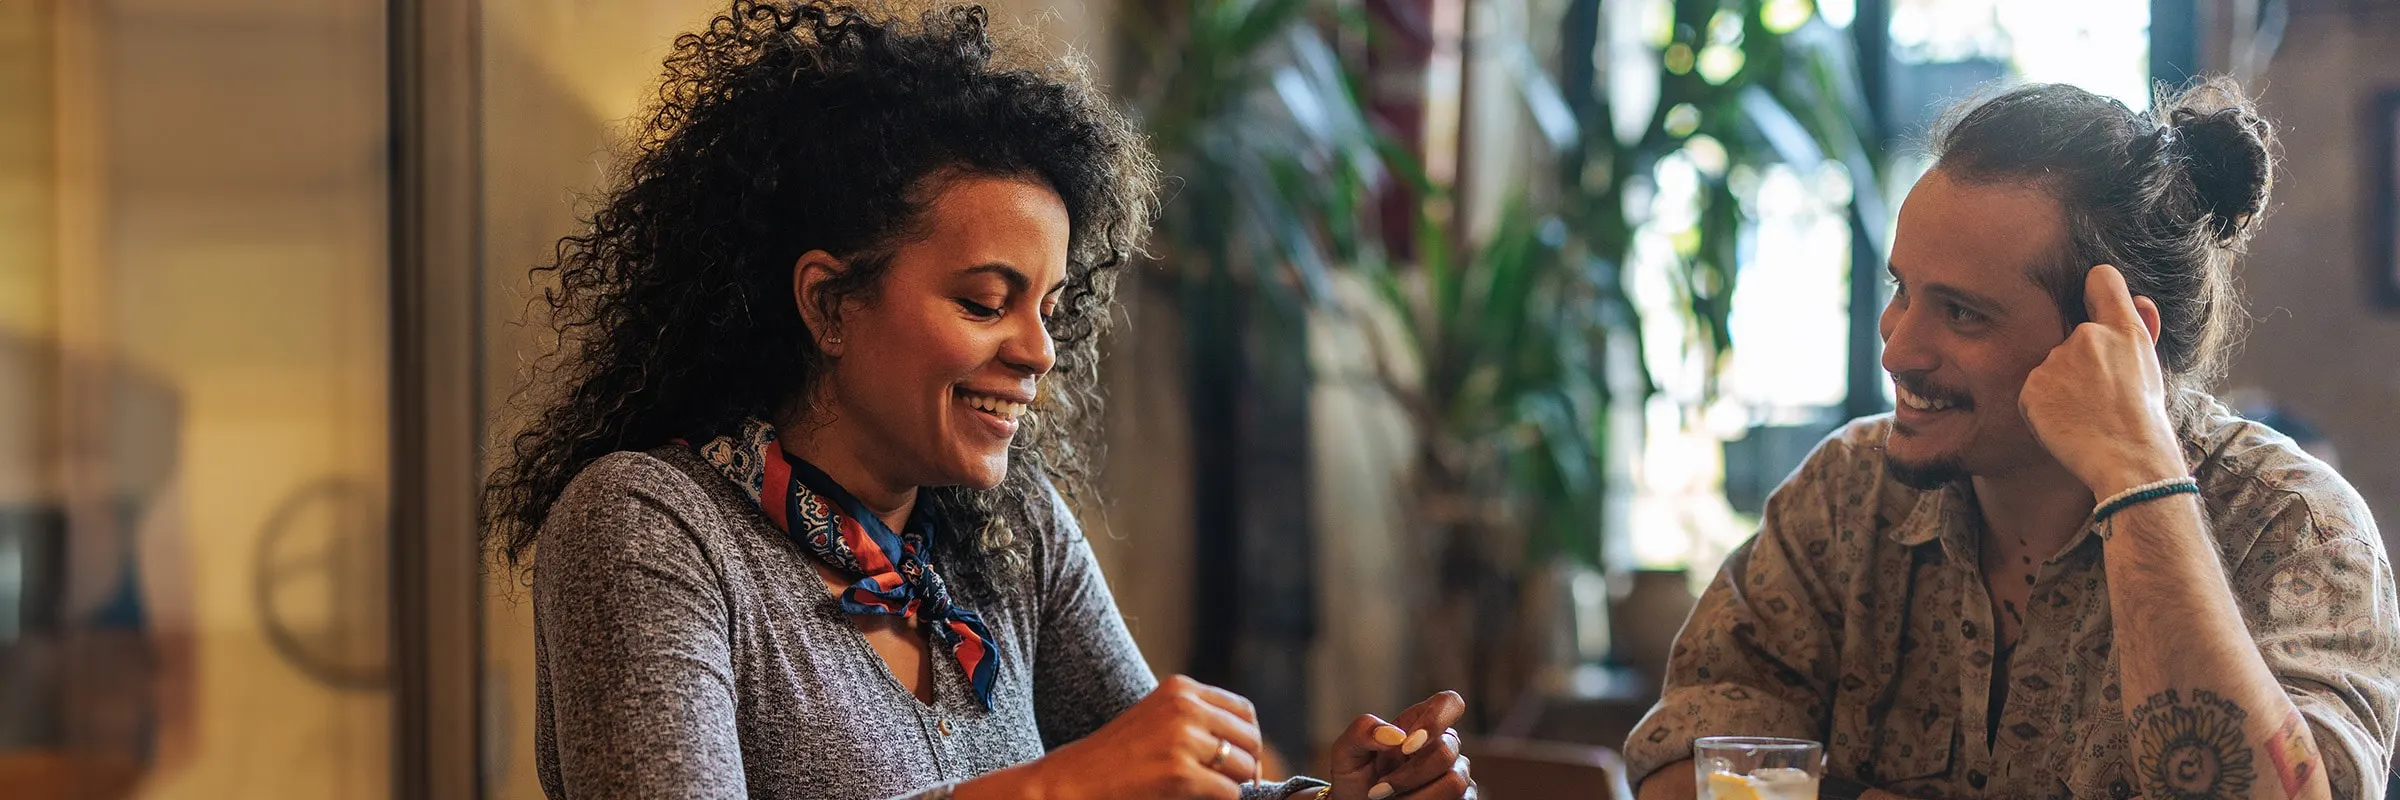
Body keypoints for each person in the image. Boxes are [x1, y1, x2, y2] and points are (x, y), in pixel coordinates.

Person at [481, 3, 1476, 799]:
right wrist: (1057, 787)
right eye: (983, 301)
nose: (1039, 349)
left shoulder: (1011, 530)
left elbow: (1168, 786)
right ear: (830, 301)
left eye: (1049, 306)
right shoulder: (651, 526)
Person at [1625, 78, 2400, 799]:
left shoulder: (2294, 528)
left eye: (1962, 313)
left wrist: (2138, 475)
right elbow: (1686, 757)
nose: (1897, 349)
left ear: (2113, 338)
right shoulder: (1847, 493)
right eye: (1903, 291)